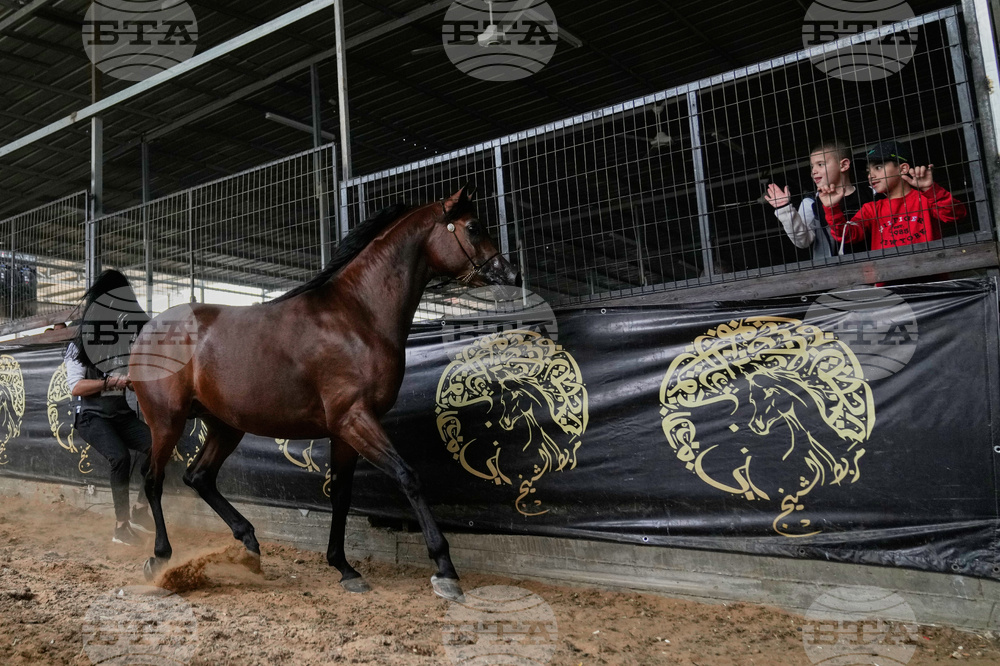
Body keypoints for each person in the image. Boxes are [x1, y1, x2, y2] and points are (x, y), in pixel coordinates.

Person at [64, 270, 154, 546]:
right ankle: (121, 528)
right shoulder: (77, 347)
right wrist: (112, 381)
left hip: (119, 414)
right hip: (91, 416)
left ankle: (140, 509)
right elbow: (76, 388)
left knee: (158, 446)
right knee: (120, 458)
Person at [820, 140, 967, 251]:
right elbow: (846, 236)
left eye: (878, 167)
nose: (871, 175)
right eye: (868, 171)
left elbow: (957, 215)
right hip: (888, 281)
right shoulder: (871, 209)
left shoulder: (925, 198)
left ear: (903, 168)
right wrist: (831, 208)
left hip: (929, 278)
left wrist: (931, 189)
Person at [764, 140, 872, 258]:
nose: (813, 171)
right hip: (832, 273)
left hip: (876, 266)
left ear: (844, 165)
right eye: (812, 166)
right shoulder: (810, 202)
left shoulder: (871, 194)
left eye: (820, 164)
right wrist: (784, 209)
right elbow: (803, 241)